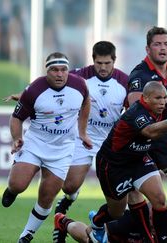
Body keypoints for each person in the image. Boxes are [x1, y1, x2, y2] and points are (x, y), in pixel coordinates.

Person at [1, 52, 92, 242]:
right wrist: (17, 138)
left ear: (68, 70)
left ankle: (27, 234)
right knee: (17, 185)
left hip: (62, 150)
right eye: (54, 70)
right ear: (47, 71)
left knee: (47, 196)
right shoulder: (34, 90)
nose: (59, 74)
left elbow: (86, 103)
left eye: (63, 69)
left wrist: (82, 132)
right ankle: (12, 191)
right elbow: (16, 118)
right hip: (35, 144)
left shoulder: (79, 85)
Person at [90, 81, 167, 243]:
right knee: (116, 212)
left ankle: (162, 240)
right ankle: (97, 222)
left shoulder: (163, 108)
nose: (162, 102)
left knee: (159, 199)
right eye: (158, 98)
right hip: (113, 165)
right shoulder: (136, 112)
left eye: (164, 98)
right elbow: (151, 131)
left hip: (139, 159)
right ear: (146, 98)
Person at [54, 41, 129, 216]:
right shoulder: (79, 76)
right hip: (84, 138)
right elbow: (51, 84)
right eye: (99, 63)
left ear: (114, 60)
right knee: (69, 186)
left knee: (119, 188)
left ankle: (119, 221)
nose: (103, 67)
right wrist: (26, 94)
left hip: (112, 141)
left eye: (107, 63)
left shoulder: (125, 81)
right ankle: (71, 197)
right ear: (93, 60)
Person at [127, 26, 167, 214]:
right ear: (147, 49)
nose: (163, 48)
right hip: (141, 139)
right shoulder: (139, 75)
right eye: (157, 44)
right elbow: (135, 110)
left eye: (166, 44)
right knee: (145, 194)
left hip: (165, 137)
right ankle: (142, 230)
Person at [53, 192, 167, 243]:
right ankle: (63, 221)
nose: (154, 229)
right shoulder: (129, 219)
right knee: (90, 240)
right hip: (116, 234)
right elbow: (91, 232)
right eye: (151, 224)